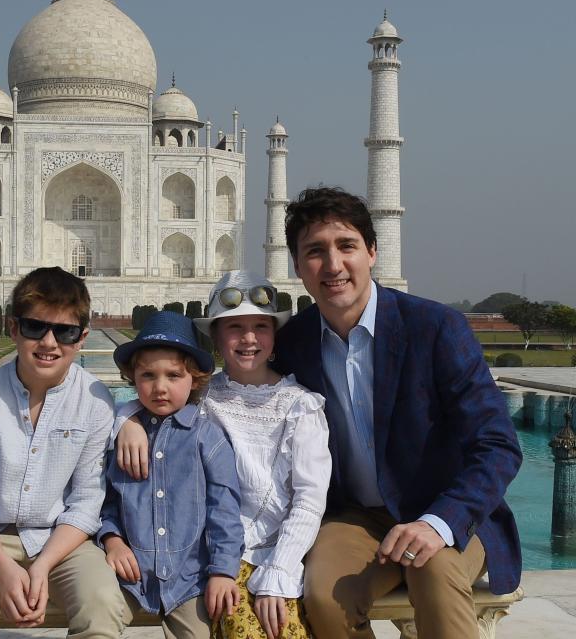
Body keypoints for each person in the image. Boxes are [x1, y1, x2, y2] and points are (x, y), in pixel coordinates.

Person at [275, 186, 522, 639]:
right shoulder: (294, 344)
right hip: (357, 518)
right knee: (323, 595)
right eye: (315, 251)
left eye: (346, 246)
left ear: (371, 251)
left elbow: (498, 445)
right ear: (297, 267)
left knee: (432, 570)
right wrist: (136, 418)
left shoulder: (434, 328)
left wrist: (438, 522)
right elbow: (237, 402)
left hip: (445, 509)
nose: (333, 265)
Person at [115, 273, 331, 639]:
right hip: (211, 555)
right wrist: (127, 419)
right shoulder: (204, 396)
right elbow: (156, 398)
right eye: (235, 327)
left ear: (274, 335)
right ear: (215, 336)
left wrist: (278, 573)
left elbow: (309, 500)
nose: (248, 338)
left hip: (281, 551)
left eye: (260, 326)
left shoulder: (300, 405)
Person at [0, 266, 126, 639]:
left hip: (62, 541)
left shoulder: (95, 401)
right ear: (13, 328)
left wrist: (42, 565)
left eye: (64, 332)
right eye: (35, 327)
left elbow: (85, 502)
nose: (49, 342)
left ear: (81, 338)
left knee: (103, 604)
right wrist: (2, 567)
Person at [99, 310, 244, 639]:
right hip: (130, 580)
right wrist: (113, 540)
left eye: (173, 376)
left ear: (195, 379)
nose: (160, 388)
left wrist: (223, 571)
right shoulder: (121, 439)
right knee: (97, 618)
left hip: (188, 581)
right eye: (148, 375)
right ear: (132, 378)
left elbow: (224, 510)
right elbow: (107, 502)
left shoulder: (207, 438)